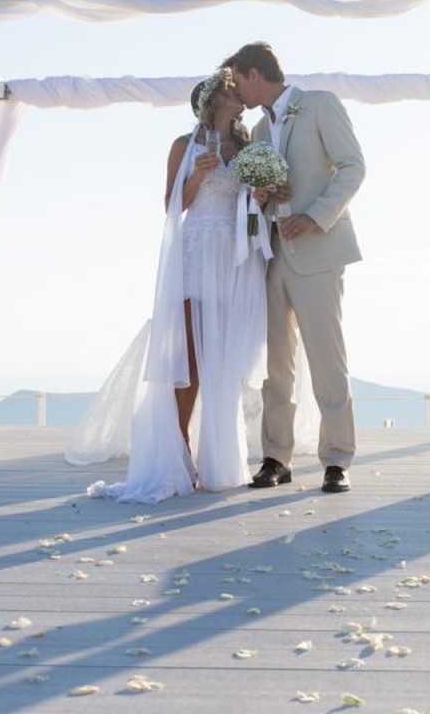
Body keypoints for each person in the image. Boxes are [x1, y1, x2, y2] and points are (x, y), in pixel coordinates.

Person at [79, 68, 270, 502]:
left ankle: (218, 459)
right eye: (230, 89)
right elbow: (171, 206)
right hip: (197, 252)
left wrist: (256, 196)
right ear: (212, 100)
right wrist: (198, 178)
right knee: (189, 359)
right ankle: (179, 448)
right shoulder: (183, 146)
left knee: (223, 359)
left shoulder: (245, 146)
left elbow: (248, 200)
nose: (239, 93)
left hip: (234, 256)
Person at [222, 42, 366, 493]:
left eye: (237, 81)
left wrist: (317, 215)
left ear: (253, 74)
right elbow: (259, 195)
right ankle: (275, 457)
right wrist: (263, 200)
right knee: (275, 366)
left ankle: (337, 459)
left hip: (320, 251)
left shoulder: (320, 104)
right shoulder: (261, 131)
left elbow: (353, 168)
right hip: (273, 256)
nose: (237, 93)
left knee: (327, 359)